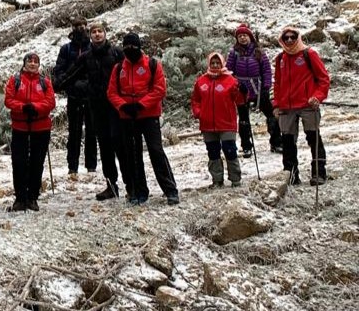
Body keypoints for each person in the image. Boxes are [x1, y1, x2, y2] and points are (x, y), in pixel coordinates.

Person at [108, 33, 179, 205]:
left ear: (139, 47)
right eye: (126, 47)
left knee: (156, 151)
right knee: (133, 155)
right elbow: (111, 92)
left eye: (132, 46)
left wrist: (141, 104)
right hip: (127, 116)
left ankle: (170, 190)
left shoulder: (153, 64)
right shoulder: (118, 68)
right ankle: (138, 191)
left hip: (148, 115)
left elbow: (159, 89)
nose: (129, 50)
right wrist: (123, 106)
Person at [273, 26, 330, 185]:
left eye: (292, 37)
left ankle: (319, 173)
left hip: (308, 105)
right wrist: (276, 104)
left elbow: (323, 79)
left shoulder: (309, 54)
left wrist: (317, 97)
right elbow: (277, 83)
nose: (289, 40)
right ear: (282, 40)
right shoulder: (280, 58)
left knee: (314, 139)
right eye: (286, 38)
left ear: (298, 37)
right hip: (286, 107)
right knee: (288, 142)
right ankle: (291, 176)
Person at [4, 52, 56, 212]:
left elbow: (50, 102)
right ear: (24, 63)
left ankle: (33, 197)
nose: (32, 64)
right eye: (29, 61)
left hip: (41, 127)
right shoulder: (15, 80)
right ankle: (20, 198)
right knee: (19, 162)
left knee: (36, 162)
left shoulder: (45, 81)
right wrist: (23, 107)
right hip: (20, 127)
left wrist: (35, 107)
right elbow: (8, 100)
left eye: (35, 61)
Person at [191, 52, 246, 187]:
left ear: (222, 64)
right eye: (213, 63)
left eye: (218, 63)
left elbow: (239, 100)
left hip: (227, 123)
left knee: (230, 150)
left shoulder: (231, 80)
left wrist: (243, 91)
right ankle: (217, 180)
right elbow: (195, 100)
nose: (215, 65)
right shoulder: (201, 81)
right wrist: (199, 113)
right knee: (213, 152)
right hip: (207, 124)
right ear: (209, 64)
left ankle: (235, 179)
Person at [226, 24, 279, 157]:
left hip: (259, 88)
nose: (243, 38)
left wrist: (266, 87)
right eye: (240, 36)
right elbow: (229, 72)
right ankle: (246, 146)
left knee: (271, 115)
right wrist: (236, 85)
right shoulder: (234, 53)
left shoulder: (259, 52)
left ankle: (276, 142)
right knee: (244, 119)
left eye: (245, 35)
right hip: (241, 90)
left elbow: (267, 71)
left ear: (250, 37)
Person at [86, 22, 124, 200]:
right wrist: (86, 89)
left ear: (105, 33)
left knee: (122, 145)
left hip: (117, 107)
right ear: (90, 36)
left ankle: (131, 185)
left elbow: (128, 73)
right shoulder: (87, 56)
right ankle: (111, 185)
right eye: (94, 32)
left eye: (100, 31)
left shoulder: (116, 53)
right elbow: (70, 75)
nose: (97, 34)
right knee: (105, 148)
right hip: (98, 108)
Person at [53, 19, 95, 177]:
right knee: (74, 131)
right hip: (73, 95)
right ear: (72, 28)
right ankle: (73, 166)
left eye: (83, 26)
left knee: (92, 131)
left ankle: (91, 166)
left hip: (91, 95)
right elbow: (59, 70)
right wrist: (69, 85)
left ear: (86, 27)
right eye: (77, 26)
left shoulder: (92, 47)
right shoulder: (66, 49)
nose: (80, 28)